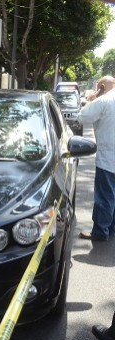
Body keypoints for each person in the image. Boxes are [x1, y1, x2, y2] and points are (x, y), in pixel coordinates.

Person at [78, 75, 115, 241]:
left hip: (109, 158)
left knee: (105, 197)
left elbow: (83, 117)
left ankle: (101, 232)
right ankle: (111, 229)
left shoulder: (105, 100)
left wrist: (91, 99)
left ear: (101, 87)